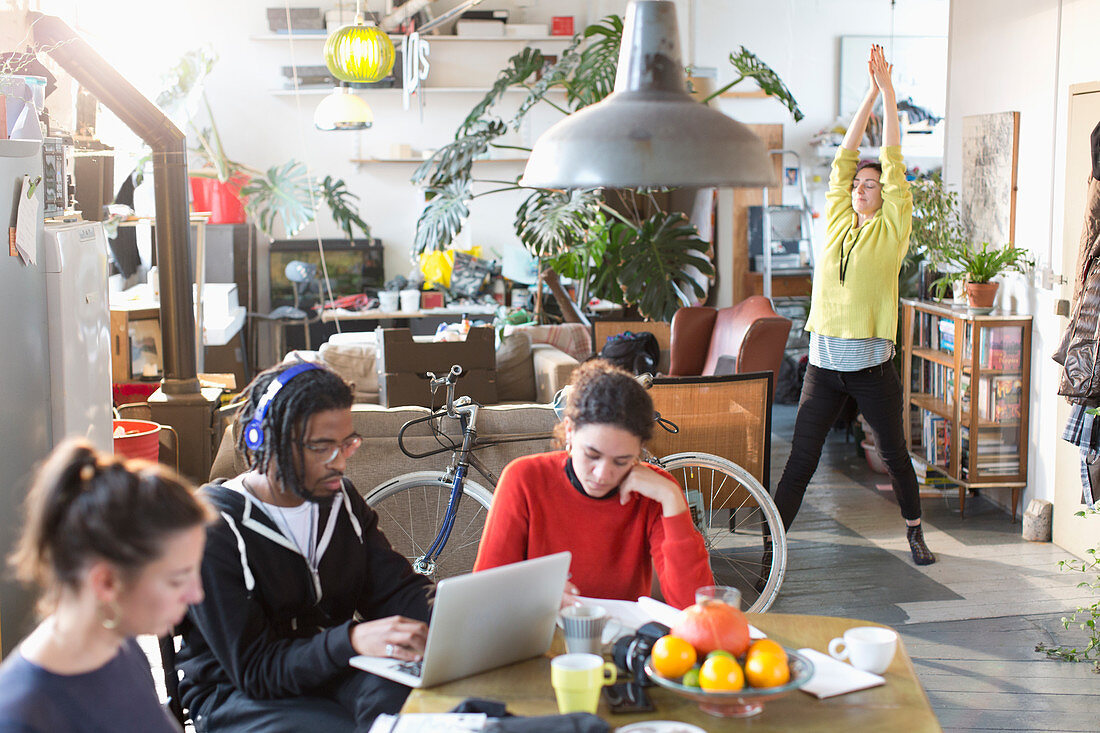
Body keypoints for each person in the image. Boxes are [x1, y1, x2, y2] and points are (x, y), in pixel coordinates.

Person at [176, 362, 433, 732]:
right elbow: (255, 669)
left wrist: (453, 616)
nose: (340, 462)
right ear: (261, 439)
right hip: (236, 693)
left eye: (347, 444)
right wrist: (351, 639)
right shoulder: (214, 528)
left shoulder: (340, 500)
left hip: (330, 669)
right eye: (321, 447)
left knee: (412, 708)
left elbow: (395, 591)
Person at [772, 45, 935, 566]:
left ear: (885, 196)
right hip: (823, 366)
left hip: (869, 368)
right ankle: (772, 545)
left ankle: (914, 530)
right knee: (800, 459)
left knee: (893, 456)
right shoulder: (838, 221)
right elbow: (845, 157)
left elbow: (890, 161)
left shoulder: (892, 230)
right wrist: (867, 93)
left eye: (871, 185)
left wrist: (889, 95)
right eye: (858, 185)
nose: (862, 189)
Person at [0, 439, 210, 732]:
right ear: (106, 582)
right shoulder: (20, 716)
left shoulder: (121, 645)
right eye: (177, 580)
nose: (196, 594)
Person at [473, 360, 713, 609]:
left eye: (622, 461)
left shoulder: (656, 491)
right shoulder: (524, 478)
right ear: (569, 431)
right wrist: (535, 593)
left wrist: (672, 496)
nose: (602, 474)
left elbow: (696, 607)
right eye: (592, 455)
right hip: (537, 636)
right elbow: (485, 591)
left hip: (619, 641)